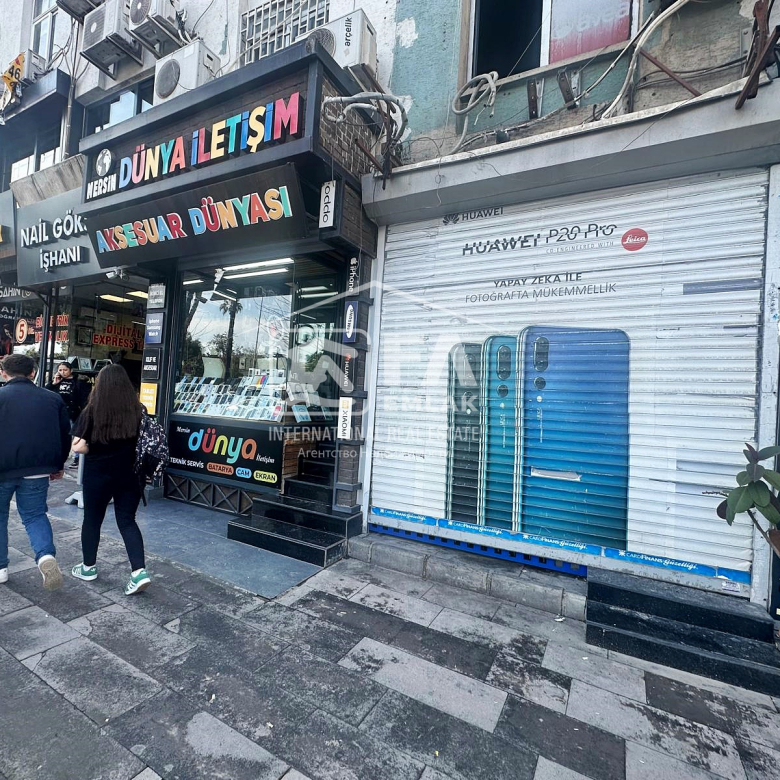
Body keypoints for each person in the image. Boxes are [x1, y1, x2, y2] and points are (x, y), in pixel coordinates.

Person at [70, 364, 151, 595]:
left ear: (101, 385)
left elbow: (78, 446)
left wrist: (94, 446)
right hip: (130, 475)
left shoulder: (92, 410)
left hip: (98, 474)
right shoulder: (138, 410)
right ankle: (139, 572)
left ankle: (88, 567)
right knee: (127, 521)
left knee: (92, 520)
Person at [0, 354, 70, 590]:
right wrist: (59, 464)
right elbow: (64, 435)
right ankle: (45, 556)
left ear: (3, 373)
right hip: (38, 470)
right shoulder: (52, 398)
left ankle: (0, 569)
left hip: (2, 468)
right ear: (33, 373)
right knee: (35, 515)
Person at [46, 361, 91, 468]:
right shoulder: (57, 381)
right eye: (60, 370)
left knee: (76, 436)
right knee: (59, 435)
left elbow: (84, 399)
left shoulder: (78, 382)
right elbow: (45, 392)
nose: (63, 372)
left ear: (71, 370)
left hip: (73, 412)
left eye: (65, 370)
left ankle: (77, 459)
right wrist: (53, 383)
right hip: (58, 412)